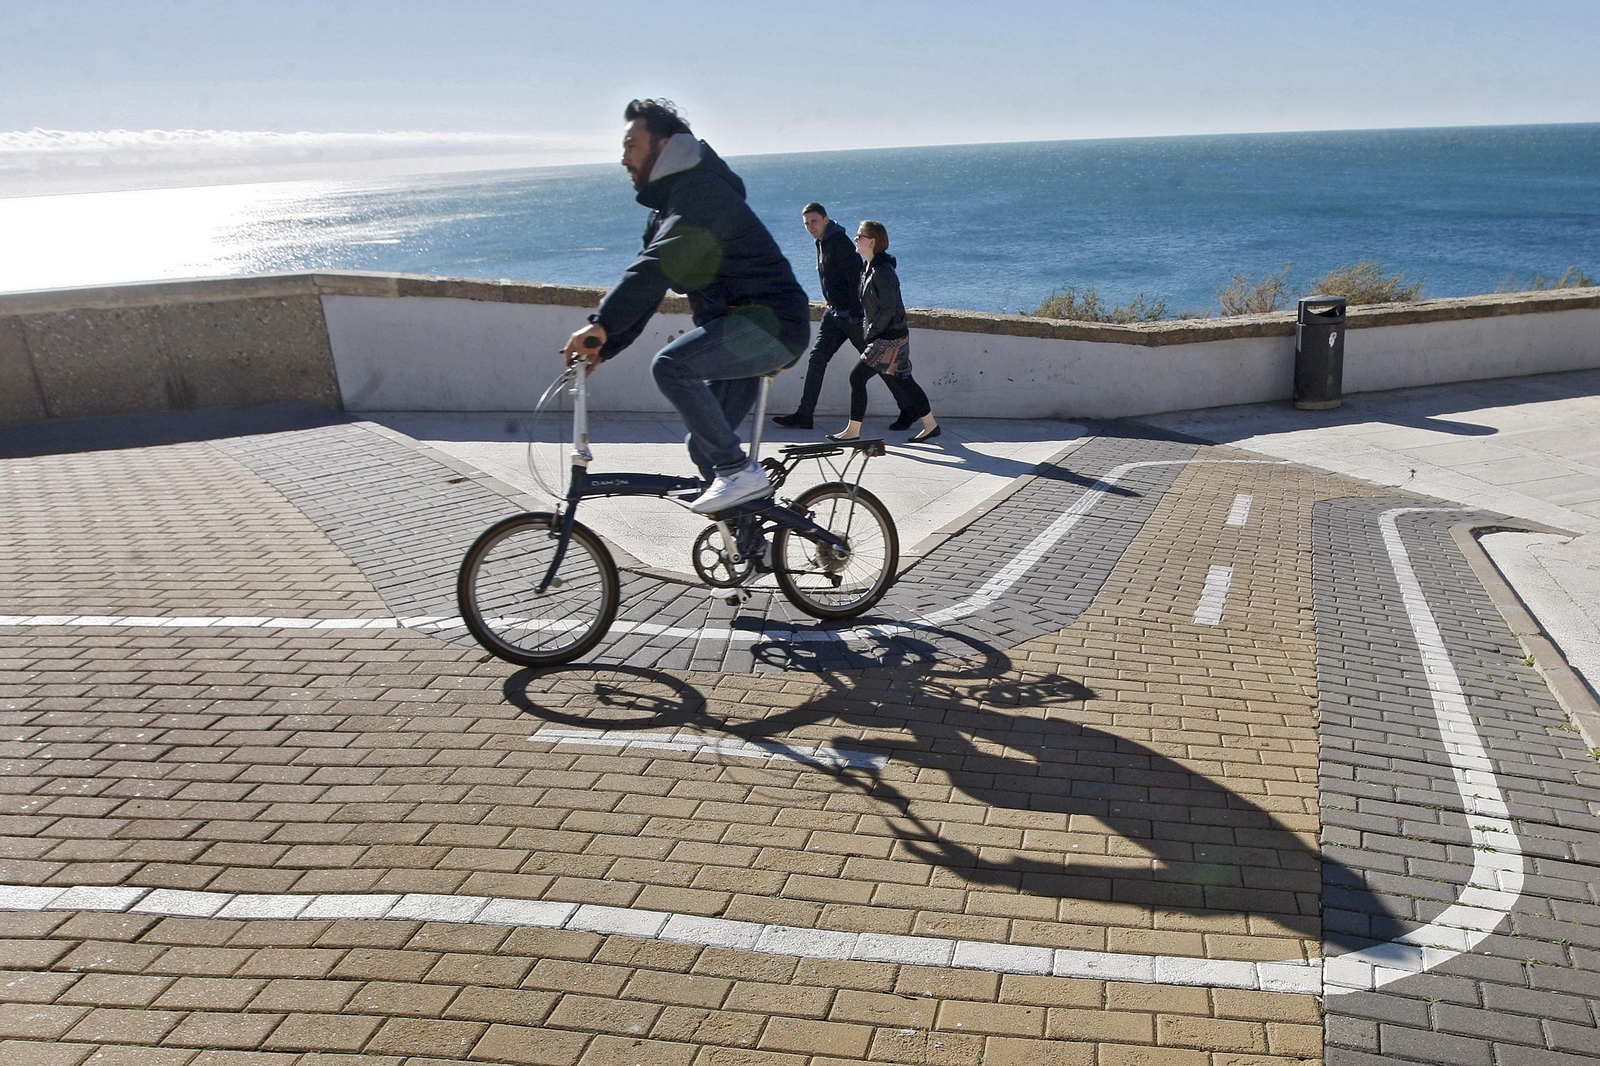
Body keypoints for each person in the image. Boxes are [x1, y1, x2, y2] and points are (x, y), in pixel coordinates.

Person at [561, 99, 810, 514]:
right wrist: (605, 344)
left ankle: (740, 472)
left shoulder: (702, 194)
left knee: (671, 365)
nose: (623, 158)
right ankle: (753, 543)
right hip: (739, 333)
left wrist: (602, 322)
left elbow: (656, 266)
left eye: (632, 146)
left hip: (769, 326)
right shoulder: (667, 208)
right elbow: (650, 289)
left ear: (665, 145)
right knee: (703, 447)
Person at [773, 204, 916, 431]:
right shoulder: (821, 242)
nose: (810, 227)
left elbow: (855, 280)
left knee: (879, 364)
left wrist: (854, 314)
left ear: (826, 220)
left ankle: (909, 407)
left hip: (851, 317)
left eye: (814, 221)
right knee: (817, 359)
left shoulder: (840, 243)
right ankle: (804, 415)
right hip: (833, 314)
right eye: (806, 223)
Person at [827, 221, 939, 443]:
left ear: (872, 241)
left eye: (860, 236)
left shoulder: (883, 272)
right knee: (904, 380)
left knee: (857, 378)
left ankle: (853, 430)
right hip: (889, 335)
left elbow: (888, 308)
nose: (856, 240)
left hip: (888, 338)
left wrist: (871, 332)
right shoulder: (869, 268)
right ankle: (930, 425)